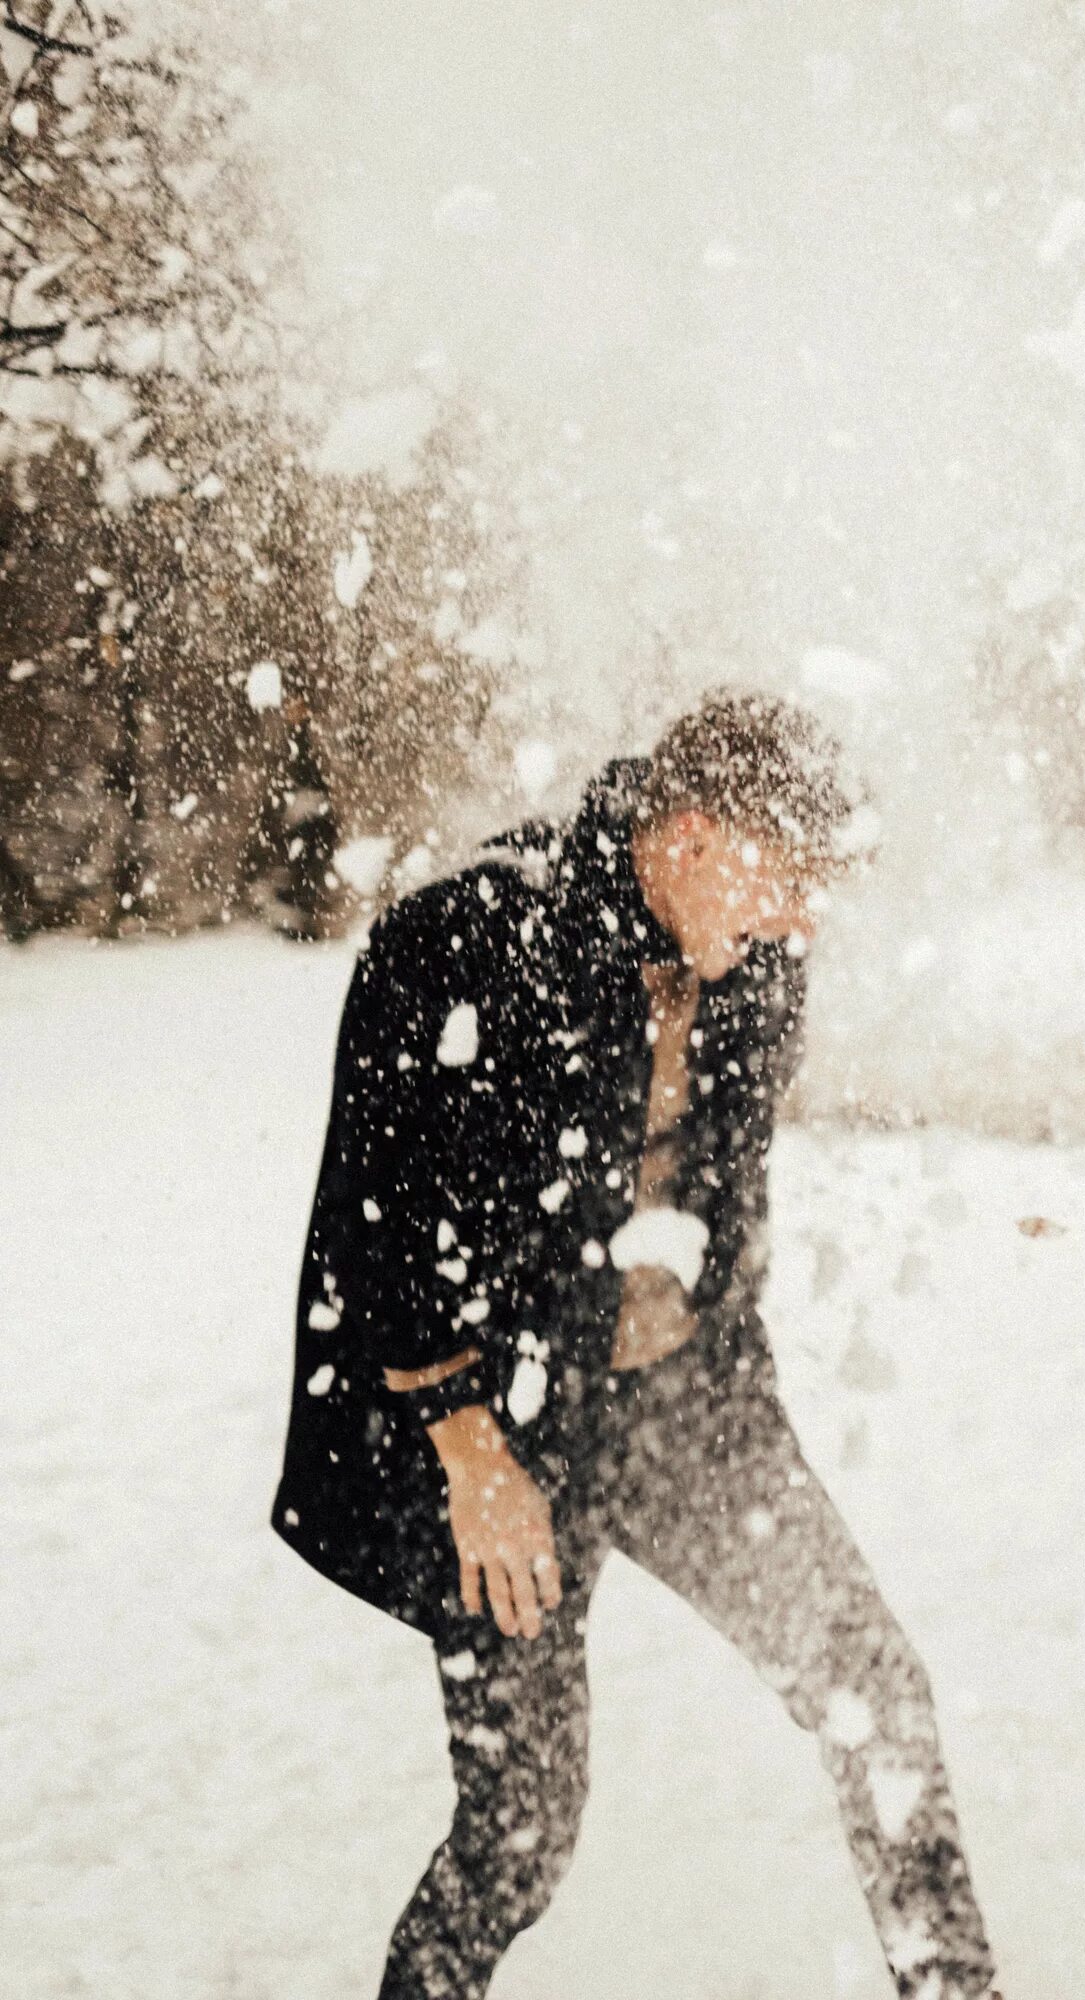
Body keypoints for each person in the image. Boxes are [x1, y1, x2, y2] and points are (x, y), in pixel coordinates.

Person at [270, 692, 1003, 2000]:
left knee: (876, 1697)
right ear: (692, 831)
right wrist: (471, 1454)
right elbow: (374, 1235)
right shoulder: (469, 945)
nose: (801, 920)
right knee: (522, 1833)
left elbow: (721, 1201)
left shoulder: (757, 959)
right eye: (786, 880)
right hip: (499, 1436)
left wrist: (741, 1409)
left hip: (678, 1404)